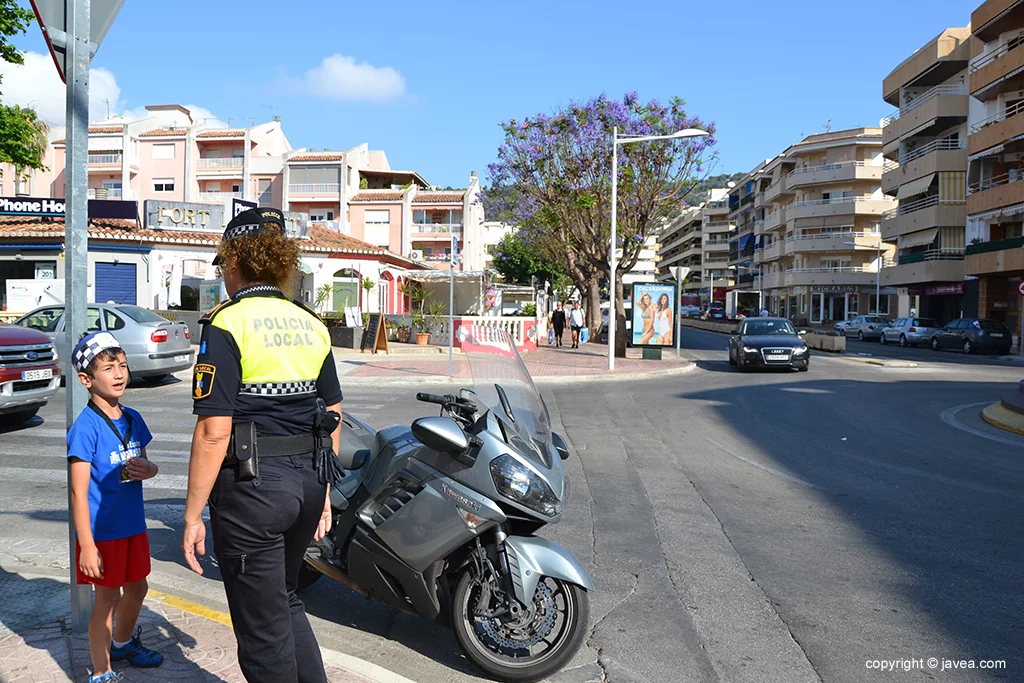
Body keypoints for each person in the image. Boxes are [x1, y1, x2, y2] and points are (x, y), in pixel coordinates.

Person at [181, 207, 344, 683]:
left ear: (235, 261)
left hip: (254, 491)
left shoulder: (228, 322)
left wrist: (192, 517)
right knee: (287, 600)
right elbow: (333, 412)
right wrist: (326, 496)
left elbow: (214, 430)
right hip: (308, 483)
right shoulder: (310, 322)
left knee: (261, 630)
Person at [68, 331, 164, 683]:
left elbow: (147, 465)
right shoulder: (86, 428)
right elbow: (78, 493)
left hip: (133, 526)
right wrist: (87, 546)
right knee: (106, 599)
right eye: (108, 368)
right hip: (102, 533)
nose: (119, 373)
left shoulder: (134, 418)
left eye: (122, 365)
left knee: (138, 588)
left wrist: (149, 470)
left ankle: (122, 644)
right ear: (86, 379)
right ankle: (101, 671)